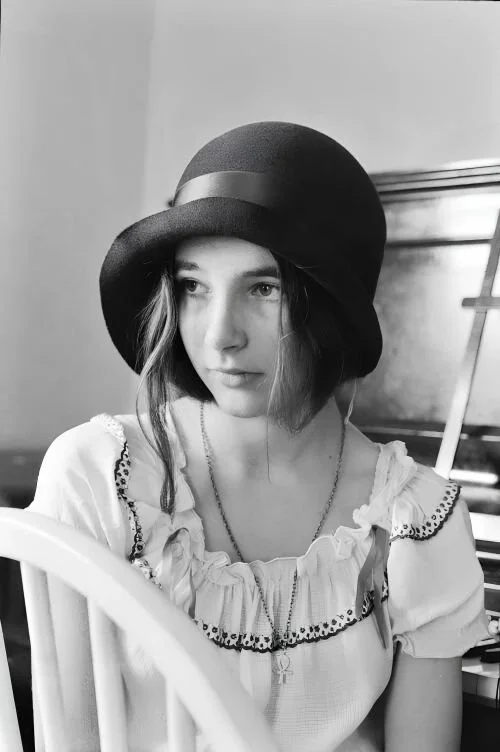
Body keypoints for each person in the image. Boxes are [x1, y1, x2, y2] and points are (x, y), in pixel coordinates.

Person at [30, 122, 488, 752]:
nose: (220, 335)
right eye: (193, 286)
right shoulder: (100, 477)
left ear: (336, 307)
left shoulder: (417, 518)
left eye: (264, 288)